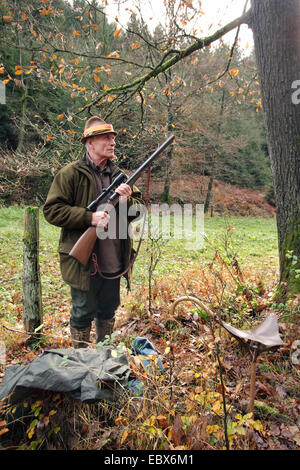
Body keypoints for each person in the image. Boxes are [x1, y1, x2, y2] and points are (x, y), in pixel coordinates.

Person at [43, 116, 143, 348]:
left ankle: (104, 360)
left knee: (108, 309)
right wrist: (89, 218)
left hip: (113, 258)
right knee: (82, 311)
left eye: (113, 138)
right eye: (106, 138)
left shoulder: (121, 177)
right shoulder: (70, 174)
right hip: (83, 260)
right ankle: (80, 361)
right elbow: (52, 210)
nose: (112, 142)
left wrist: (127, 201)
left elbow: (138, 212)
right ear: (90, 142)